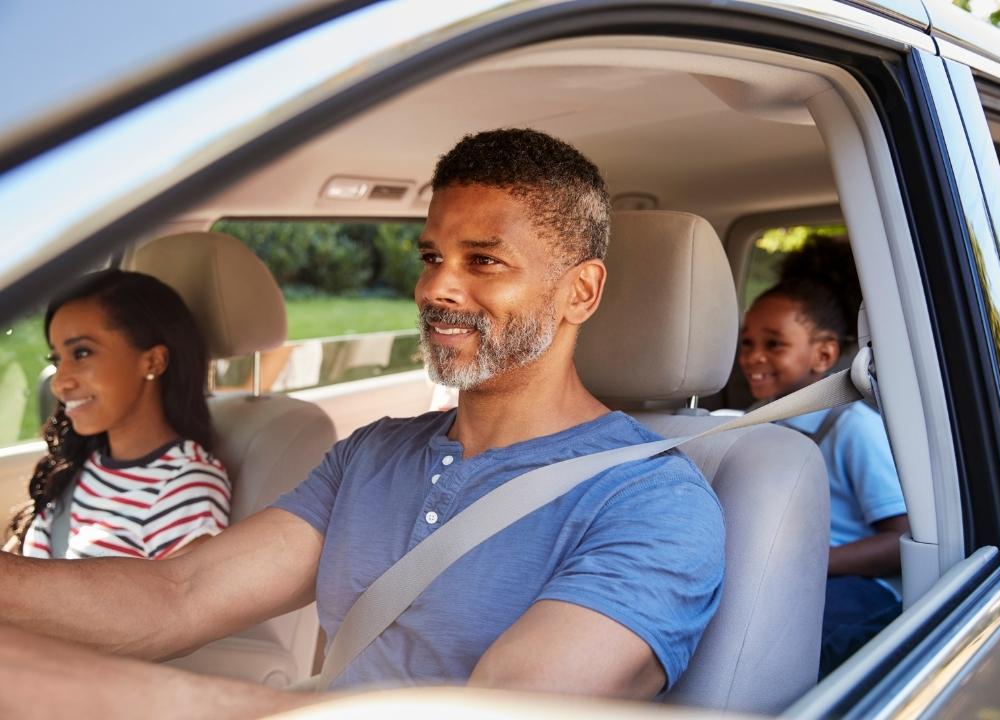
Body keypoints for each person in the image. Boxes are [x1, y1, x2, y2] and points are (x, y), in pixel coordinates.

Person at [0, 128, 725, 718]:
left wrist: (82, 691)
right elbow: (177, 595)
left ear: (580, 292)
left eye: (485, 261)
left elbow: (499, 712)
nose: (438, 286)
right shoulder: (372, 454)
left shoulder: (653, 502)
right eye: (433, 256)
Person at [738, 273, 908, 678]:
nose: (753, 357)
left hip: (857, 586)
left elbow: (900, 538)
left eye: (773, 344)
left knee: (775, 659)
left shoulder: (852, 428)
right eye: (747, 343)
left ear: (824, 355)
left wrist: (812, 563)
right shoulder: (752, 423)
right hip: (779, 577)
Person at [2, 270, 230, 560]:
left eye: (82, 353)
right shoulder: (81, 463)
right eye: (57, 359)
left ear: (153, 361)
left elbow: (178, 603)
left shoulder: (185, 488)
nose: (60, 383)